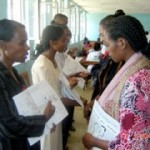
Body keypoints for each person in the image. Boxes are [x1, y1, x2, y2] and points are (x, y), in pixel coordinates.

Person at [82, 15, 150, 149]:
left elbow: (132, 143)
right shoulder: (141, 66)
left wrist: (94, 142)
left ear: (122, 43)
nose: (106, 50)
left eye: (107, 44)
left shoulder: (136, 81)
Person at [0, 19, 55, 150]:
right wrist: (44, 119)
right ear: (3, 45)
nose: (28, 47)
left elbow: (23, 109)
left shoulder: (13, 72)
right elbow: (8, 125)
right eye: (22, 43)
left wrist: (44, 124)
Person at [31, 25, 82, 150]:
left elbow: (60, 83)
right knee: (48, 144)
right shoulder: (42, 65)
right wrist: (81, 103)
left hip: (56, 112)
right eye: (63, 40)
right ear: (52, 43)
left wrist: (70, 84)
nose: (66, 44)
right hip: (46, 114)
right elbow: (54, 97)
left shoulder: (53, 60)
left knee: (56, 144)